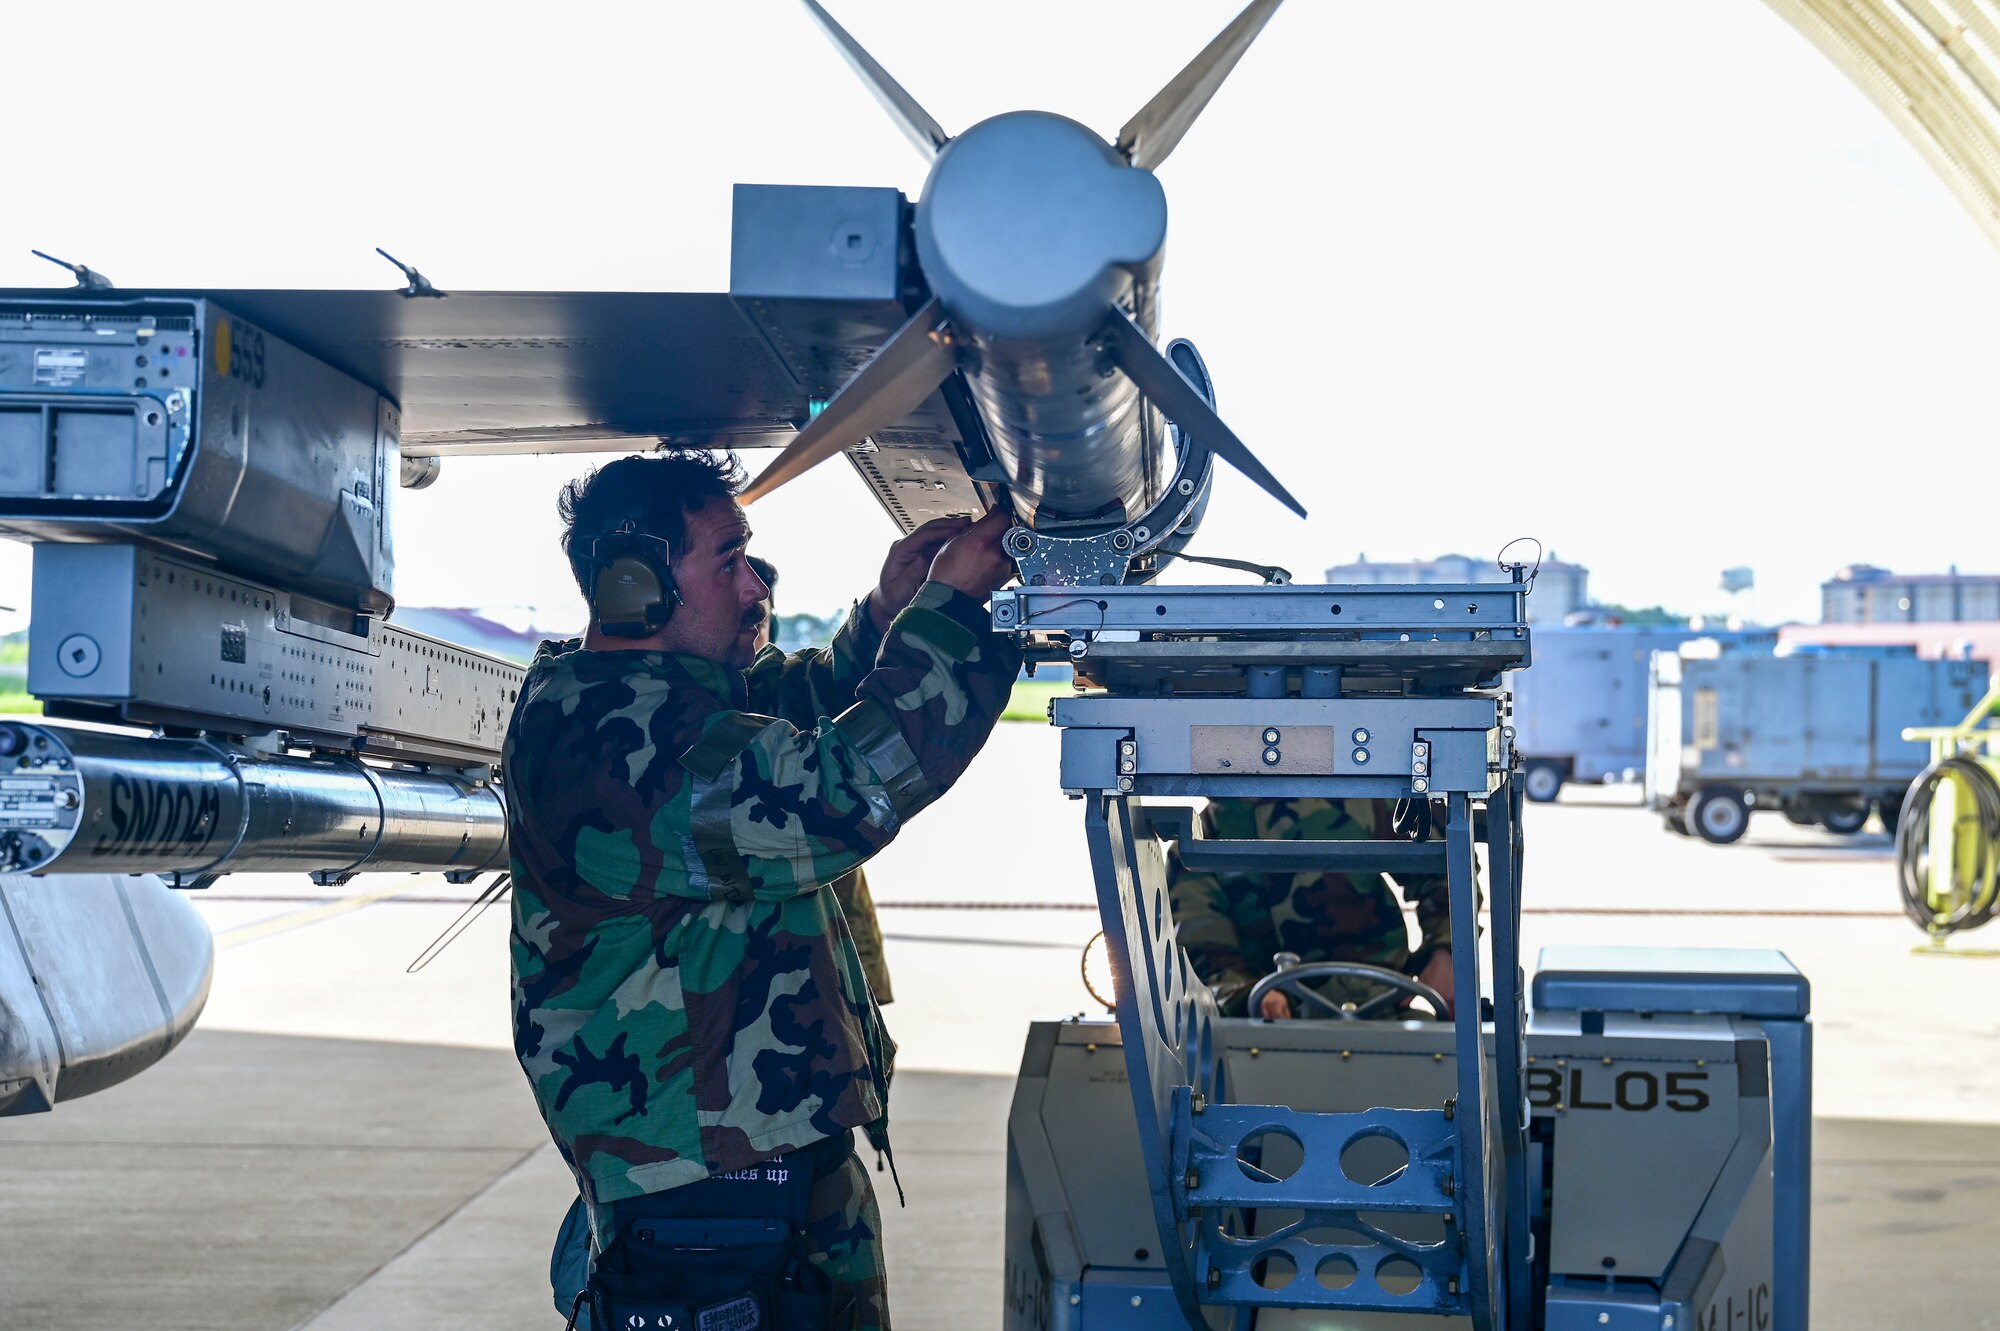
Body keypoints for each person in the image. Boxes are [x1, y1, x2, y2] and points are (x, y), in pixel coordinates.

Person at [508, 450, 1017, 1331]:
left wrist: (888, 613)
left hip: (742, 1185)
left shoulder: (644, 698)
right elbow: (841, 789)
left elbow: (785, 711)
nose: (755, 587)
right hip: (707, 1214)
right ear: (636, 584)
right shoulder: (621, 743)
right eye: (729, 560)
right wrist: (953, 609)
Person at [746, 555, 893, 1004]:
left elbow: (836, 676)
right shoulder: (705, 700)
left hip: (828, 919)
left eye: (759, 616)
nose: (750, 623)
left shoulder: (778, 687)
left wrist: (888, 605)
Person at [1166, 797, 1460, 1020]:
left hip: (1384, 1009)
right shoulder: (1198, 844)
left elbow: (1447, 862)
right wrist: (1248, 995)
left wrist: (1444, 952)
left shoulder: (1359, 796)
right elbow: (1206, 947)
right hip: (1267, 1029)